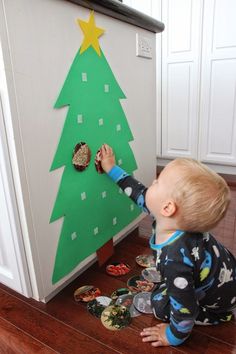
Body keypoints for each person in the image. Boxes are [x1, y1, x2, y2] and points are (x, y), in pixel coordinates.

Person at [99, 143, 236, 348]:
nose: (152, 182)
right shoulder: (170, 218)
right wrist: (110, 168)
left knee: (160, 306)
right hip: (225, 276)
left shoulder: (175, 261)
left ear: (167, 207)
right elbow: (137, 192)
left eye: (158, 182)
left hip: (219, 302)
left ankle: (218, 316)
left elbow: (185, 309)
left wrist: (172, 337)